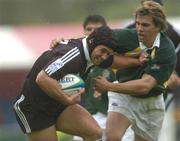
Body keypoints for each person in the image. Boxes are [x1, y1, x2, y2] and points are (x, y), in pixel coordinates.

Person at [13, 26, 147, 141]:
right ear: (93, 42)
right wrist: (68, 99)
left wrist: (137, 62)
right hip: (35, 108)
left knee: (95, 133)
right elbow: (42, 78)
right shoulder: (74, 55)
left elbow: (112, 61)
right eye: (103, 51)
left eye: (108, 53)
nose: (104, 56)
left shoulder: (94, 53)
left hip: (57, 102)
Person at [94, 1, 177, 141]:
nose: (139, 28)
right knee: (112, 137)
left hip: (150, 102)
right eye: (137, 23)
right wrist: (65, 43)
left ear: (158, 27)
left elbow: (145, 86)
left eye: (145, 25)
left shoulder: (166, 50)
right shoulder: (126, 36)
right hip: (123, 95)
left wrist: (109, 86)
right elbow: (92, 40)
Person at [126, 0, 180, 110]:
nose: (140, 28)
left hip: (161, 92)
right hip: (131, 90)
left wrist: (172, 76)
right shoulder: (129, 31)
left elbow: (174, 68)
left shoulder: (173, 35)